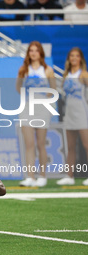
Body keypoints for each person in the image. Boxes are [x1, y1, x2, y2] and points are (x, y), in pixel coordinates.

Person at [16, 41, 56, 187]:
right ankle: (30, 177)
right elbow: (18, 87)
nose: (33, 53)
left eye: (36, 51)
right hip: (27, 108)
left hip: (42, 109)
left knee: (40, 144)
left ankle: (43, 176)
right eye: (31, 51)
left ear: (41, 53)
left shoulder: (48, 70)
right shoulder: (23, 70)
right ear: (28, 53)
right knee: (29, 144)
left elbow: (53, 90)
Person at [57, 47, 88, 186]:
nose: (74, 58)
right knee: (70, 146)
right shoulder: (66, 75)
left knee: (87, 145)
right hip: (69, 113)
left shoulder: (84, 74)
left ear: (80, 58)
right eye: (71, 56)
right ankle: (69, 176)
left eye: (76, 56)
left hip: (81, 112)